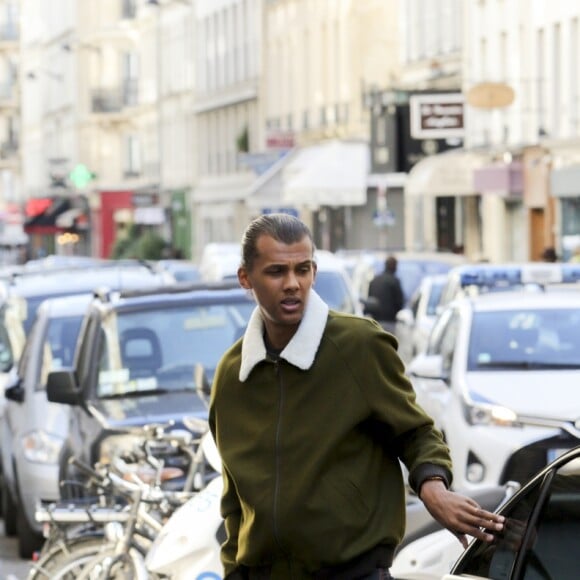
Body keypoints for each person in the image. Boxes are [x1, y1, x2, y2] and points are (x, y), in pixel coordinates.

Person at [209, 213, 504, 580]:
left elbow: (417, 433)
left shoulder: (359, 346)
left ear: (314, 272)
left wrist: (433, 489)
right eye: (276, 272)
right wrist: (234, 571)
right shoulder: (233, 374)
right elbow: (233, 497)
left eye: (303, 270)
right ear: (245, 278)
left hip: (354, 572)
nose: (293, 284)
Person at [364, 255, 404, 334]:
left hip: (375, 322)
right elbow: (400, 302)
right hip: (390, 322)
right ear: (394, 266)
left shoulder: (374, 280)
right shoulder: (394, 281)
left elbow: (369, 300)